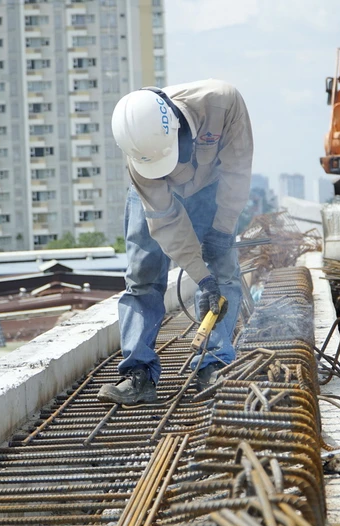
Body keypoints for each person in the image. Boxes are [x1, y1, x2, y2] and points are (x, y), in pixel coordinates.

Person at [96, 79, 254, 405]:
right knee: (143, 276)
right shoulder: (140, 156)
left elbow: (238, 171)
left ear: (180, 126)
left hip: (212, 186)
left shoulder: (222, 103)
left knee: (223, 269)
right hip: (159, 201)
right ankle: (138, 374)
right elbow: (167, 223)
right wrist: (202, 277)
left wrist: (222, 231)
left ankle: (214, 366)